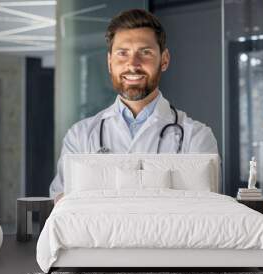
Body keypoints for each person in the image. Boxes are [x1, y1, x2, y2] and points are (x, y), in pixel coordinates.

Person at [51, 9, 218, 204]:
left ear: (164, 60)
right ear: (109, 61)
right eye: (122, 53)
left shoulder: (196, 138)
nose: (133, 64)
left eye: (145, 52)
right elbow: (61, 203)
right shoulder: (80, 137)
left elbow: (207, 212)